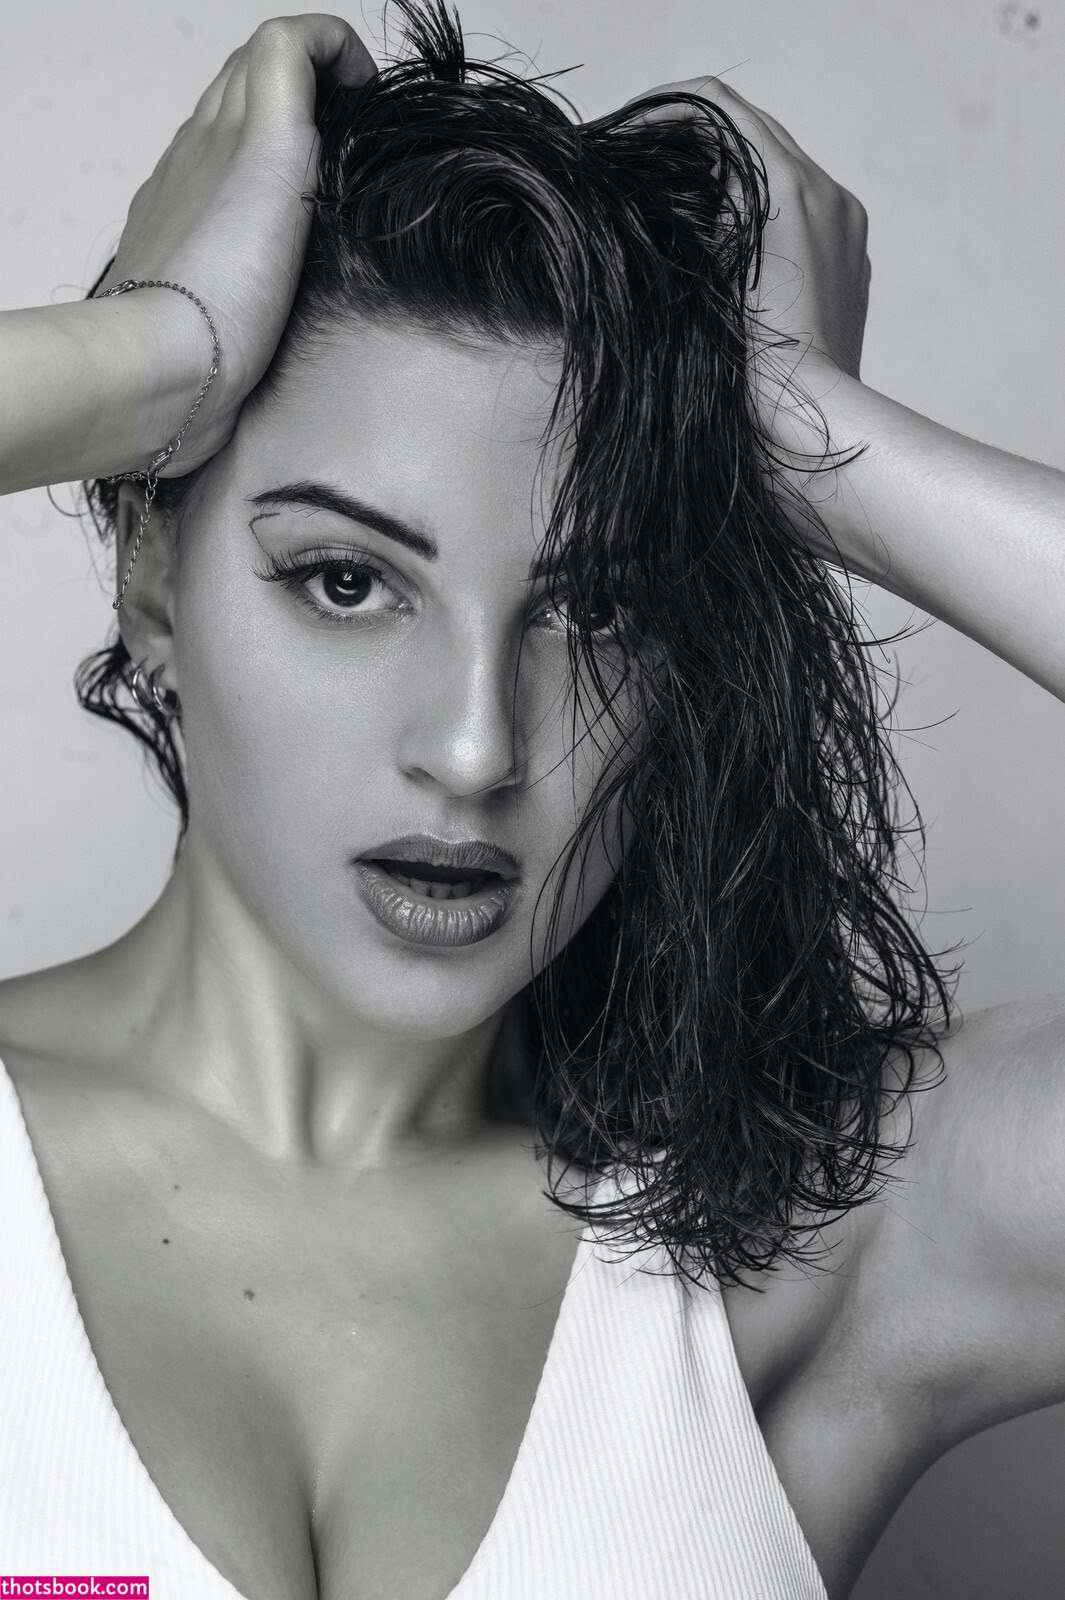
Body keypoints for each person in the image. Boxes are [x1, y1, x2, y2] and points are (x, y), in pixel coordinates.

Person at [0, 4, 1063, 1598]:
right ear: (153, 586)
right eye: (345, 580)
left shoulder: (819, 1237)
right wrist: (158, 354)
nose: (476, 745)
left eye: (596, 609)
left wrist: (825, 448)